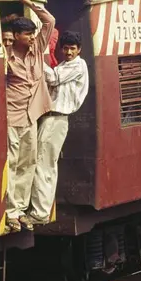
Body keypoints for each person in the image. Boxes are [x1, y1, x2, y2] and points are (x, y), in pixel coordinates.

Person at [5, 0, 55, 232]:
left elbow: (50, 22)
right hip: (11, 116)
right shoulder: (7, 55)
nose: (32, 37)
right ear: (16, 36)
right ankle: (10, 211)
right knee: (12, 163)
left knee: (28, 163)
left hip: (31, 115)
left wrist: (29, 4)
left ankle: (20, 209)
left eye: (33, 34)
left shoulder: (37, 49)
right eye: (27, 34)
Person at [28, 31, 89, 224]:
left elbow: (53, 78)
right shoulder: (65, 65)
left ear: (79, 50)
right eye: (66, 48)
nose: (69, 52)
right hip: (53, 119)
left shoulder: (78, 65)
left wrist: (35, 56)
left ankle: (40, 212)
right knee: (46, 164)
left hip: (57, 119)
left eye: (72, 48)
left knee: (42, 164)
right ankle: (41, 210)